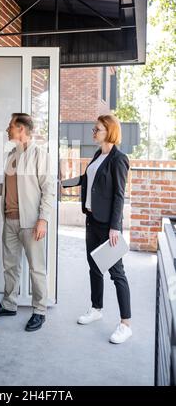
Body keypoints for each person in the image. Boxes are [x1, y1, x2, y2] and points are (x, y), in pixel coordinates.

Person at [62, 114, 132, 344]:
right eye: (94, 128)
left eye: (97, 129)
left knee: (117, 273)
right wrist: (60, 183)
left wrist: (115, 227)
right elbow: (85, 179)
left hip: (107, 225)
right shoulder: (98, 155)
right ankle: (96, 308)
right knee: (94, 267)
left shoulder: (118, 159)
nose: (93, 132)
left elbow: (119, 195)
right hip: (91, 220)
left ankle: (125, 324)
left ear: (109, 131)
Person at [0, 113, 55, 332]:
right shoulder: (11, 155)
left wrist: (43, 220)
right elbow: (7, 187)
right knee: (10, 266)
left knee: (37, 268)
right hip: (9, 219)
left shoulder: (40, 155)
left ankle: (39, 311)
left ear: (21, 129)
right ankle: (9, 304)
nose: (8, 129)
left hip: (30, 222)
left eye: (11, 126)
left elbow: (48, 189)